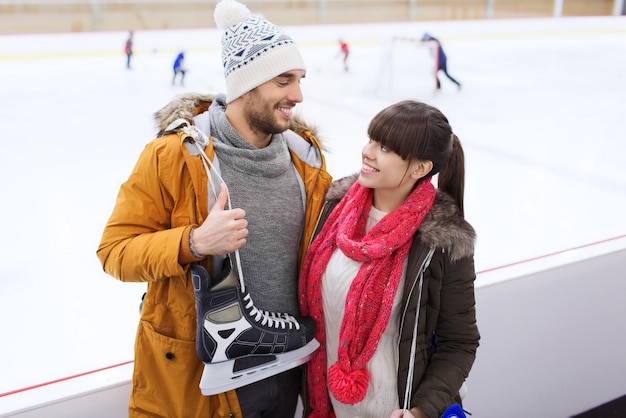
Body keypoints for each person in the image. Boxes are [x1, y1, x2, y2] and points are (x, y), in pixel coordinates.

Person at [96, 0, 332, 416]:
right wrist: (194, 241)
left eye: (299, 79)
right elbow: (115, 253)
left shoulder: (305, 160)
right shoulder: (175, 156)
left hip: (290, 364)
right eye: (283, 81)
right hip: (209, 377)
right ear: (247, 85)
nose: (297, 95)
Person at [299, 100, 480, 418]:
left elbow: (459, 343)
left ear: (421, 168)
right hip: (328, 403)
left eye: (384, 148)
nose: (367, 152)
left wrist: (422, 411)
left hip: (392, 408)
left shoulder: (442, 242)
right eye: (371, 140)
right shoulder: (333, 210)